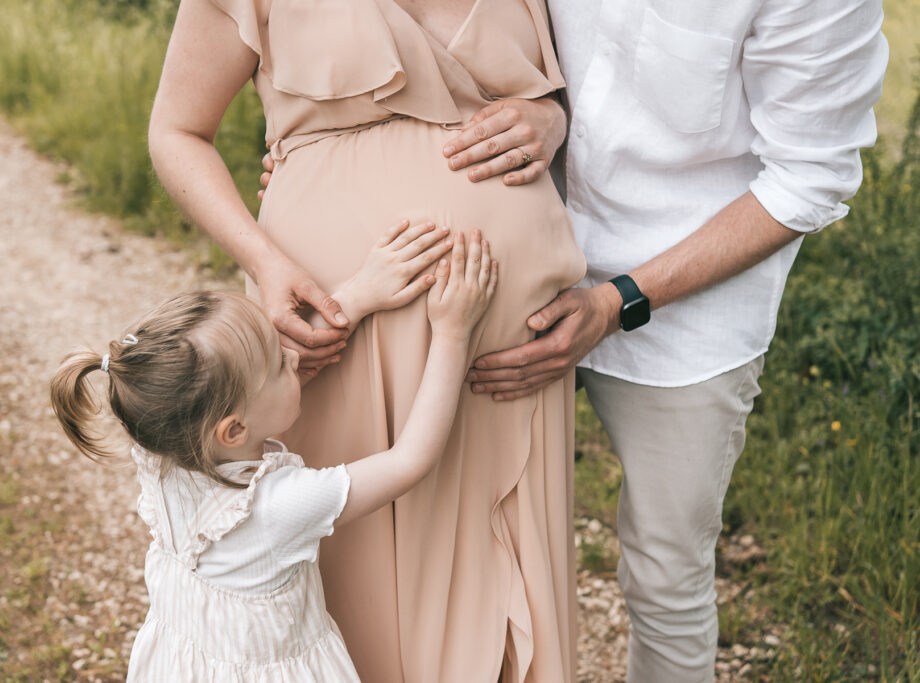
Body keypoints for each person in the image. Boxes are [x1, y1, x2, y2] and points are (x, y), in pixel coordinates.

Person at [438, 0, 889, 680]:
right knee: (465, 529)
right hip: (517, 255)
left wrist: (617, 300)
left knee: (666, 577)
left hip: (690, 315)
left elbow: (808, 177)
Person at [148, 1, 586, 681]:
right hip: (338, 334)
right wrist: (265, 261)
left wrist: (554, 117)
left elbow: (586, 88)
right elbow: (176, 130)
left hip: (512, 355)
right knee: (363, 589)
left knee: (506, 578)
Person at [49, 227, 498, 681]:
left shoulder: (167, 450)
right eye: (278, 362)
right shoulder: (278, 506)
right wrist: (453, 334)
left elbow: (257, 394)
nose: (295, 355)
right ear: (235, 429)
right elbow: (410, 459)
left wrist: (358, 295)